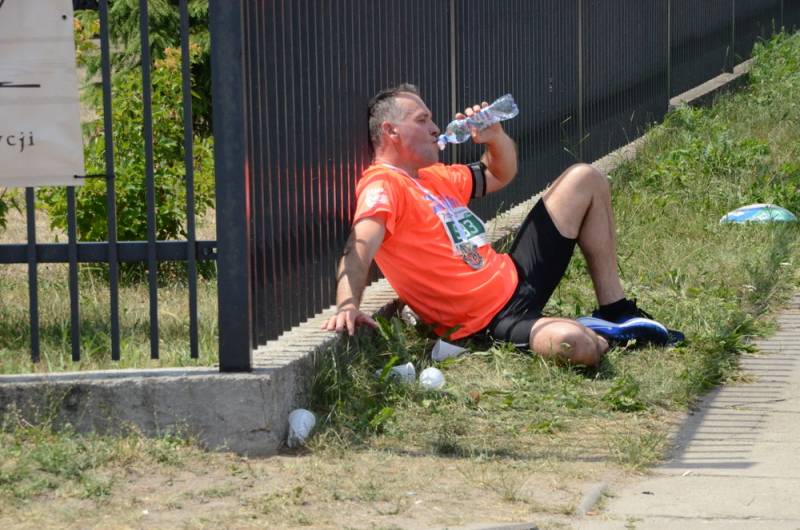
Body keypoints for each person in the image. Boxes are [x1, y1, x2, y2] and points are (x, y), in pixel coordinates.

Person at [322, 83, 681, 367]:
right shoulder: (384, 185)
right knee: (578, 346)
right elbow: (359, 248)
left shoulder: (432, 176)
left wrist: (494, 137)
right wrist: (347, 306)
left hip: (516, 273)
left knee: (584, 178)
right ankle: (585, 331)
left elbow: (499, 174)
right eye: (422, 120)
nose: (435, 129)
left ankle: (616, 311)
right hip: (488, 321)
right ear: (391, 131)